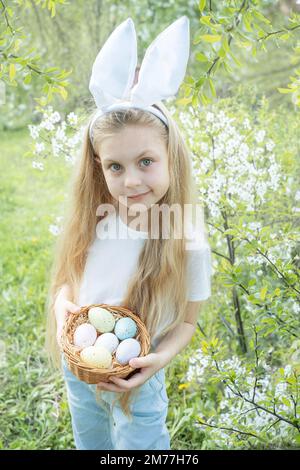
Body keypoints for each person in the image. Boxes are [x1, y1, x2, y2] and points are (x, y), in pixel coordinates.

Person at [45, 16, 212, 450]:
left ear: (171, 157)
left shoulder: (186, 240)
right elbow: (69, 281)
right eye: (115, 167)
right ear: (98, 166)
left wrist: (157, 359)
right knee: (91, 442)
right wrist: (63, 307)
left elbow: (188, 321)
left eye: (146, 162)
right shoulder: (95, 219)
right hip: (79, 368)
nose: (131, 181)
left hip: (139, 374)